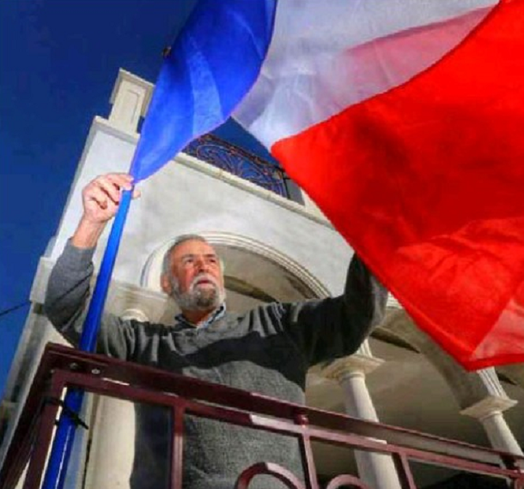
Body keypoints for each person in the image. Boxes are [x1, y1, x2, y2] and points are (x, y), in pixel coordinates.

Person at [44, 173, 388, 489]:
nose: (204, 265)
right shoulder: (145, 344)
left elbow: (355, 316)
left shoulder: (279, 325)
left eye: (210, 259)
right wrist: (91, 224)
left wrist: (374, 230)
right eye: (189, 261)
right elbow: (67, 307)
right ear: (167, 282)